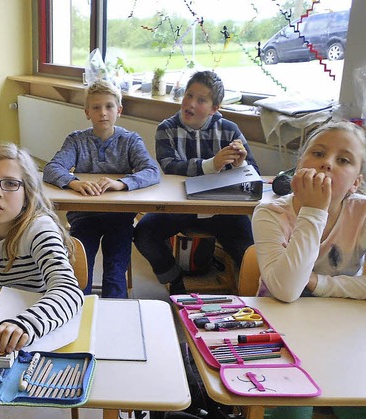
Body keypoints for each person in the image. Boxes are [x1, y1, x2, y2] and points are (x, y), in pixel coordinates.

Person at [252, 121, 366, 419]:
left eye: (343, 160)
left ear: (356, 182)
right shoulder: (271, 213)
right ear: (298, 166)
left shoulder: (362, 213)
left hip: (340, 329)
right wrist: (314, 211)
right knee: (292, 411)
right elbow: (286, 290)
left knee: (358, 404)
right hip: (278, 330)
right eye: (317, 153)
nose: (326, 164)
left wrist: (317, 282)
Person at [133, 70, 258, 294]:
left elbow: (255, 173)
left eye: (201, 100)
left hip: (224, 210)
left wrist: (241, 164)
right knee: (143, 234)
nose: (190, 103)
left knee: (248, 251)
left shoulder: (230, 130)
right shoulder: (166, 129)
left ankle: (249, 295)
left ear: (214, 108)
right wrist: (211, 165)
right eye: (189, 95)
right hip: (181, 206)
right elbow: (170, 165)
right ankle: (176, 281)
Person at [0, 143, 84, 354]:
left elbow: (69, 291)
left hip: (40, 325)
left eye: (11, 184)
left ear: (27, 195)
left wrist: (24, 325)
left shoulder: (38, 229)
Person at [43, 79, 160, 298]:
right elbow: (52, 168)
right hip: (83, 217)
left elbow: (152, 171)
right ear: (87, 112)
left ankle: (113, 322)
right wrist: (74, 182)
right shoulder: (77, 140)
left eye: (109, 106)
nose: (103, 113)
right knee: (79, 275)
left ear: (119, 110)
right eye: (96, 107)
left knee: (115, 275)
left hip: (119, 218)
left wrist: (121, 183)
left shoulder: (130, 140)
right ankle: (78, 315)